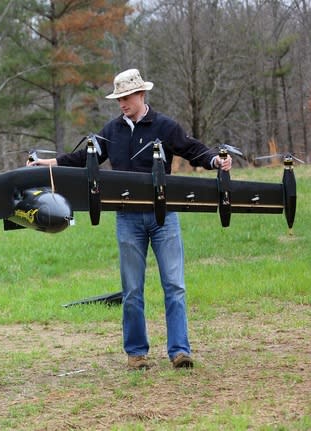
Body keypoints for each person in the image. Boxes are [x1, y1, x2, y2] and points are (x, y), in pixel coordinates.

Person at [28, 68, 232, 370]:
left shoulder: (164, 125)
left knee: (174, 285)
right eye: (119, 98)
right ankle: (136, 352)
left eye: (126, 97)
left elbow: (192, 149)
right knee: (133, 290)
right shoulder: (111, 131)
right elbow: (85, 158)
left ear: (141, 94)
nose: (122, 103)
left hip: (164, 217)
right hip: (127, 219)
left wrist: (216, 160)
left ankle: (179, 350)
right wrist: (50, 163)